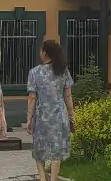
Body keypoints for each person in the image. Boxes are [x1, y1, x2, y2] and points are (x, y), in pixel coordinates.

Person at [27, 39, 76, 181]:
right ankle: (53, 179)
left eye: (41, 50)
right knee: (57, 150)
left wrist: (29, 118)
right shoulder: (63, 71)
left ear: (45, 53)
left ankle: (42, 178)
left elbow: (31, 97)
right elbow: (68, 96)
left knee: (39, 148)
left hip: (42, 115)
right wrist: (72, 116)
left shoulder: (34, 72)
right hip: (59, 115)